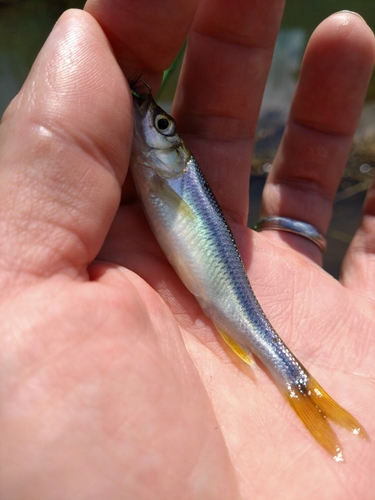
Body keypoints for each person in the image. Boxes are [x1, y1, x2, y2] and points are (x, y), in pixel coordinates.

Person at [0, 1, 373, 498]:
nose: (152, 125)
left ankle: (296, 381)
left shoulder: (170, 173)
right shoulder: (161, 171)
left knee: (255, 338)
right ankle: (298, 384)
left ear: (171, 150)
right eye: (161, 124)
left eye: (161, 128)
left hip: (226, 297)